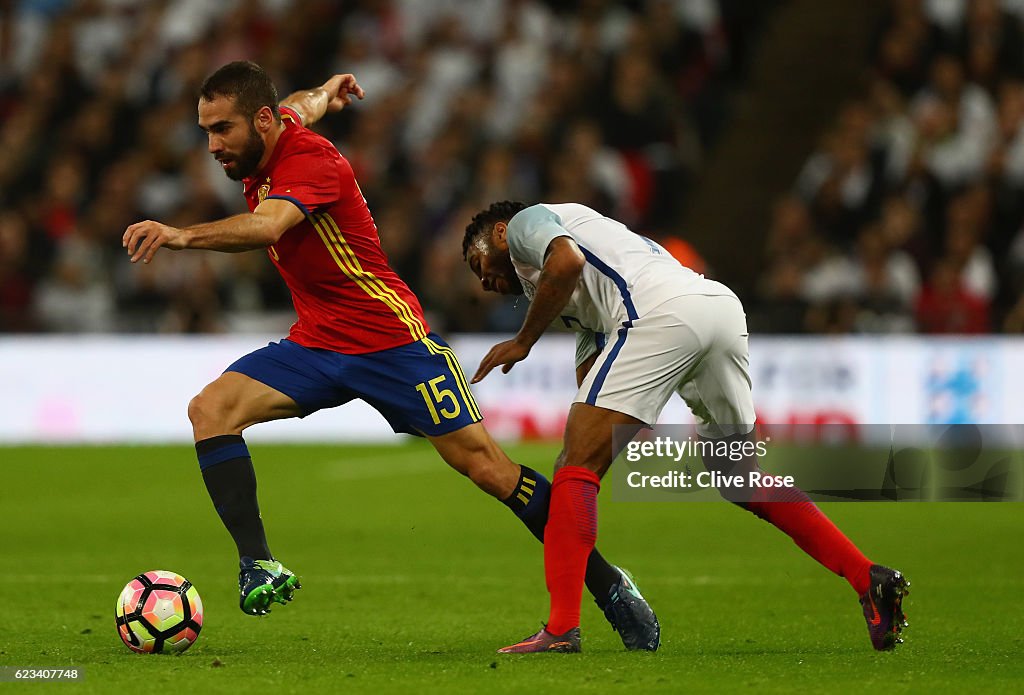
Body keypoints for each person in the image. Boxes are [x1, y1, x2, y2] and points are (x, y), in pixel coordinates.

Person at [121, 61, 659, 651]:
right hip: (318, 342)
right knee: (211, 411)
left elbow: (268, 227)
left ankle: (608, 585)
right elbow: (304, 102)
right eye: (205, 131)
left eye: (222, 129)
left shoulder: (314, 162)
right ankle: (258, 564)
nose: (213, 145)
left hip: (392, 342)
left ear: (263, 122)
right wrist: (329, 91)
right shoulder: (276, 132)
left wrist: (180, 235)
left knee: (491, 472)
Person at [462, 200, 910, 653]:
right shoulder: (577, 281)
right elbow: (591, 364)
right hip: (717, 309)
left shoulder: (525, 225)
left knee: (574, 467)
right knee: (739, 478)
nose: (482, 280)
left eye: (477, 261)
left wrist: (523, 342)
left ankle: (561, 630)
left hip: (661, 314)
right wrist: (616, 417)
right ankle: (867, 577)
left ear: (499, 234)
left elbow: (567, 261)